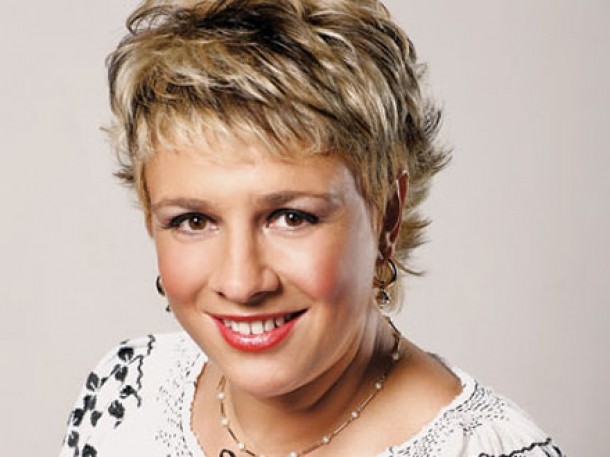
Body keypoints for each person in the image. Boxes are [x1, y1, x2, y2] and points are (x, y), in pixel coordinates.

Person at [59, 1, 564, 456]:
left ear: (387, 214)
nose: (241, 282)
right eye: (194, 221)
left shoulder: (483, 449)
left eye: (290, 217)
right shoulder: (126, 396)